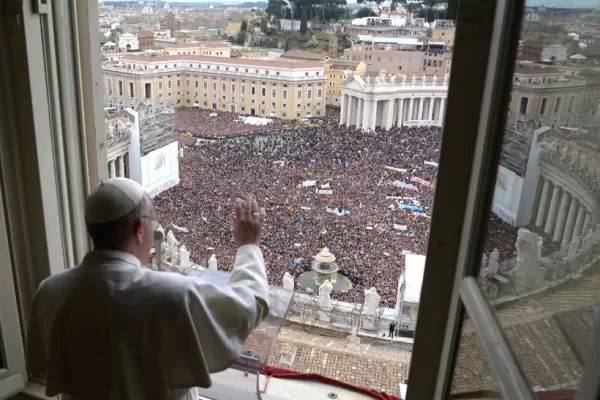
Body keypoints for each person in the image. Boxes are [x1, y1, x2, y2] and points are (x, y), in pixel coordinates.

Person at [26, 177, 269, 400]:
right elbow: (248, 306)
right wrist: (248, 245)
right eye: (153, 221)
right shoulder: (173, 296)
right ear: (139, 230)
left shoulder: (49, 291)